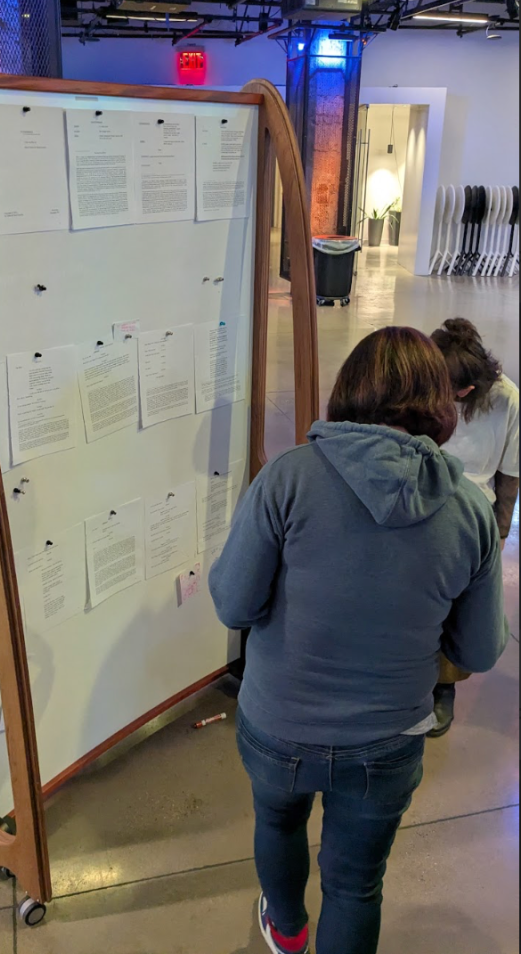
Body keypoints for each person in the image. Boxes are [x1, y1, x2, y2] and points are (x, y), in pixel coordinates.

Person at [209, 327, 508, 954]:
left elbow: (233, 603)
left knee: (279, 820)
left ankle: (287, 931)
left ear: (349, 391)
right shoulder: (470, 512)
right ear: (442, 404)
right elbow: (479, 652)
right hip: (388, 742)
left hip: (278, 724)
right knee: (355, 886)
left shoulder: (288, 479)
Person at [428, 318, 519, 737]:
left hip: (474, 512)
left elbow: (511, 472)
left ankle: (443, 687)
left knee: (461, 609)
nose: (456, 398)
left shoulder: (507, 399)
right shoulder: (422, 387)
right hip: (422, 499)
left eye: (461, 391)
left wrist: (500, 531)